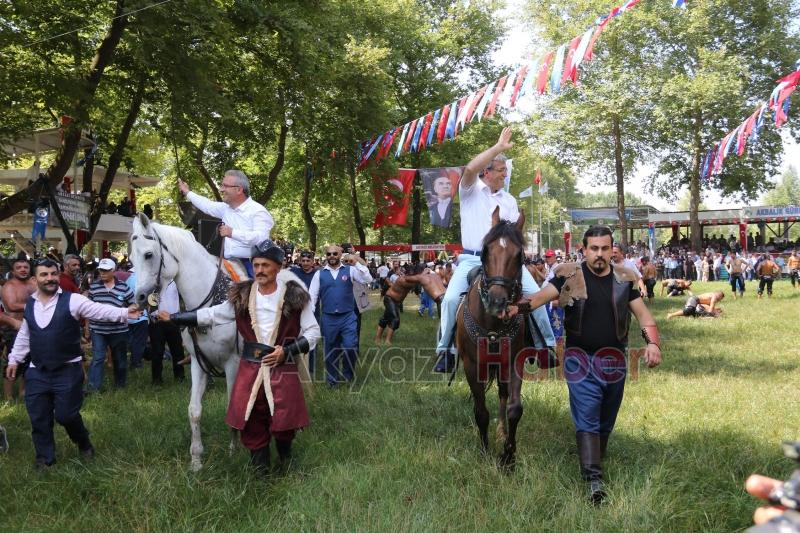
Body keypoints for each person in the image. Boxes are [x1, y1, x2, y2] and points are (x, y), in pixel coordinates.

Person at [521, 225, 662, 504]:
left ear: (612, 250)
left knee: (606, 417)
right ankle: (593, 481)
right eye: (593, 248)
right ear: (583, 249)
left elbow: (644, 317)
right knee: (587, 413)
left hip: (615, 360)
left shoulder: (626, 278)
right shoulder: (567, 275)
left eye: (604, 248)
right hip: (579, 358)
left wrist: (653, 343)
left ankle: (596, 456)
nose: (599, 254)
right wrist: (513, 308)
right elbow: (537, 299)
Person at [158, 240, 319, 474]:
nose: (260, 270)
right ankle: (259, 470)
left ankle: (286, 460)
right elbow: (212, 315)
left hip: (282, 367)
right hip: (251, 369)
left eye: (266, 265)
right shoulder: (241, 296)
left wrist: (287, 351)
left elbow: (313, 332)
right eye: (256, 265)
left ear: (278, 267)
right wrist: (176, 318)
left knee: (284, 421)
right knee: (252, 418)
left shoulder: (295, 296)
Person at [434, 127, 554, 373]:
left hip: (505, 263)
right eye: (501, 171)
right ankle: (445, 353)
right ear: (486, 173)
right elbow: (469, 169)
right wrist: (498, 147)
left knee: (537, 297)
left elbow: (511, 236)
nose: (505, 175)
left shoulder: (509, 201)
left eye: (505, 171)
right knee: (448, 300)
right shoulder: (469, 190)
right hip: (471, 259)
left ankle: (545, 348)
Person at [4, 259, 141, 467]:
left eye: (53, 274)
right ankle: (45, 461)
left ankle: (83, 442)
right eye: (44, 275)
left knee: (66, 415)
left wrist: (124, 312)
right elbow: (25, 334)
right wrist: (14, 359)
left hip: (67, 370)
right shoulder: (30, 303)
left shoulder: (73, 300)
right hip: (37, 371)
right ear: (35, 279)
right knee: (39, 418)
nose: (49, 278)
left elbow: (98, 310)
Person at [178, 169, 274, 278]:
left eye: (225, 186)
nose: (221, 189)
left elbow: (261, 238)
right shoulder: (225, 209)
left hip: (252, 266)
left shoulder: (258, 211)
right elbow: (206, 205)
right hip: (228, 264)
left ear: (239, 189)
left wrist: (232, 233)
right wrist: (187, 192)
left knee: (253, 293)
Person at [309, 245, 373, 387]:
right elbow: (312, 296)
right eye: (329, 254)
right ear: (326, 255)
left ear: (340, 254)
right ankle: (333, 380)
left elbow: (368, 279)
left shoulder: (350, 270)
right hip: (328, 317)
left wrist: (356, 262)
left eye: (335, 253)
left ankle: (348, 374)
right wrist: (310, 316)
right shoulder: (319, 274)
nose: (332, 256)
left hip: (347, 316)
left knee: (350, 346)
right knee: (330, 349)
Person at [86, 258, 135, 393]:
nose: (102, 273)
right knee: (98, 358)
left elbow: (133, 303)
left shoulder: (124, 287)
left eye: (106, 270)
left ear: (113, 271)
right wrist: (87, 328)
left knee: (120, 359)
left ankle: (120, 386)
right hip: (98, 330)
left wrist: (128, 311)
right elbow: (88, 308)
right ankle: (92, 388)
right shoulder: (94, 287)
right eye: (101, 270)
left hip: (119, 330)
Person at [2, 257, 36, 400]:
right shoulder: (9, 286)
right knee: (14, 360)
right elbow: (11, 305)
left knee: (30, 360)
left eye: (25, 267)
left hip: (32, 327)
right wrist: (38, 304)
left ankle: (23, 391)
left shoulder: (33, 284)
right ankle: (8, 397)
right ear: (13, 270)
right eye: (19, 267)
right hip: (14, 328)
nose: (23, 269)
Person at [148, 281, 186, 385]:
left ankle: (180, 377)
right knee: (157, 352)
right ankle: (156, 380)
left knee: (178, 351)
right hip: (157, 321)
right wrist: (157, 315)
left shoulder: (175, 282)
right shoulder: (155, 283)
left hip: (173, 320)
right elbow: (152, 303)